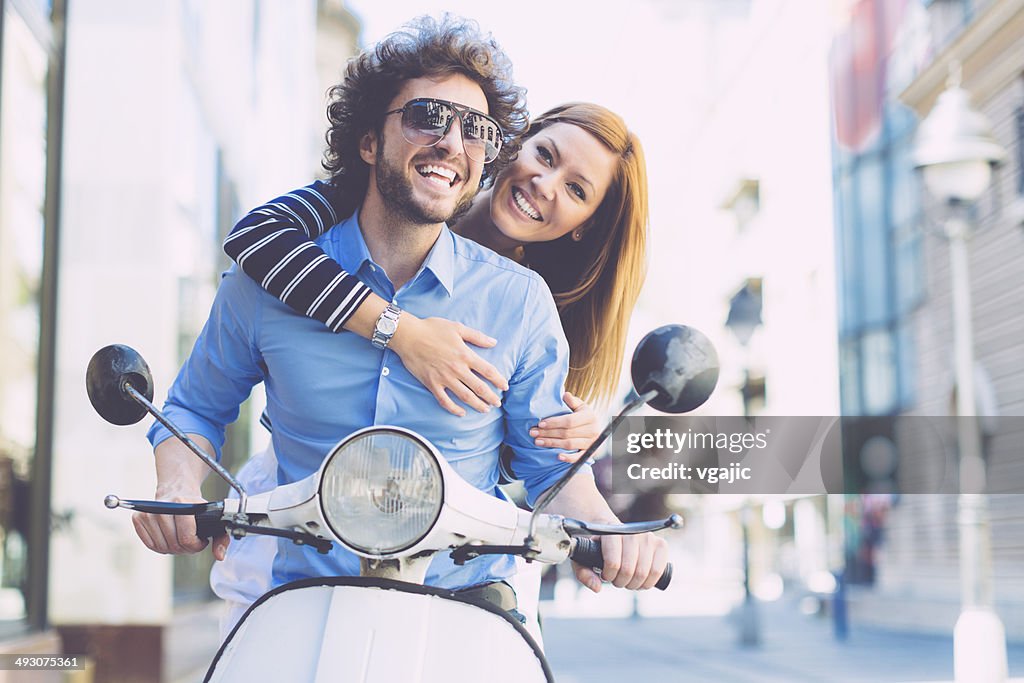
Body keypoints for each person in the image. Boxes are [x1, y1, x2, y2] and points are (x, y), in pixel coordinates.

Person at [135, 14, 666, 635]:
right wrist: (178, 487)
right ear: (369, 142)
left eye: (474, 130)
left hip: (463, 609)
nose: (450, 143)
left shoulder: (523, 302)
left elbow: (549, 468)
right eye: (426, 118)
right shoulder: (274, 270)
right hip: (298, 601)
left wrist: (606, 526)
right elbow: (194, 406)